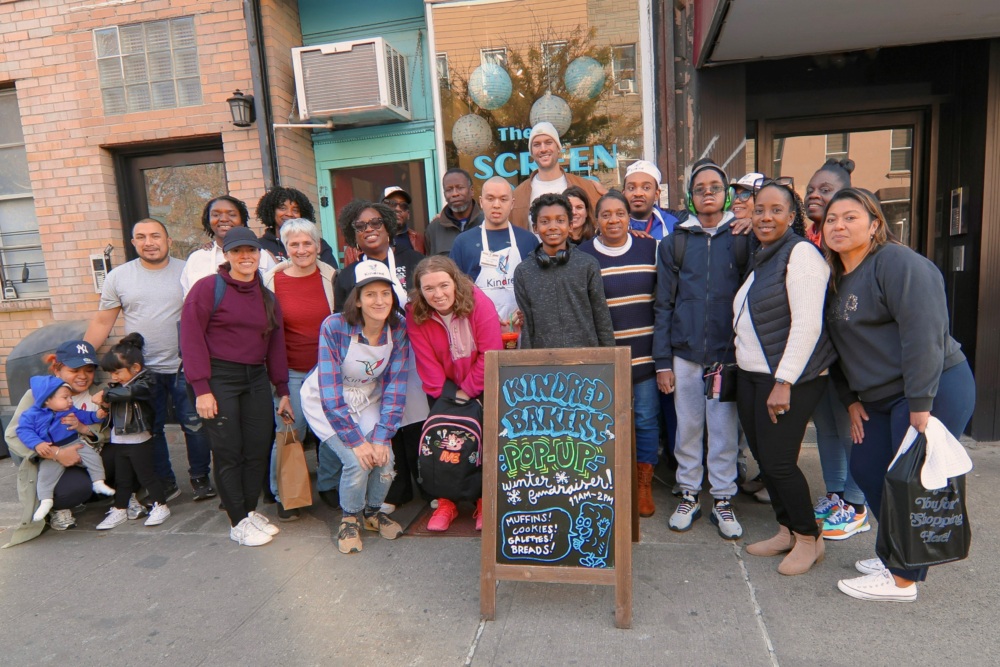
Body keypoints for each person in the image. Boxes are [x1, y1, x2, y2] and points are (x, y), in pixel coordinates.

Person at [822, 188, 975, 603]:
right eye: (831, 219)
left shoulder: (897, 263)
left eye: (850, 217)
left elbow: (923, 334)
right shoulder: (835, 275)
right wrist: (851, 398)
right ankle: (896, 553)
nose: (838, 225)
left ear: (875, 225)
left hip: (929, 388)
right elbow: (836, 350)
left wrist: (921, 407)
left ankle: (903, 579)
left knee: (911, 484)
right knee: (870, 471)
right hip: (875, 397)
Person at [734, 180, 835, 575]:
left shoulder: (802, 254)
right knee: (765, 457)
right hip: (753, 375)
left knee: (778, 463)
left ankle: (810, 538)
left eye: (776, 210)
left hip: (790, 378)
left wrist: (784, 381)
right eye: (759, 209)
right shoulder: (763, 255)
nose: (766, 217)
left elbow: (808, 325)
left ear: (792, 217)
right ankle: (786, 528)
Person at [85, 218, 215, 505]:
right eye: (141, 237)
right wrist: (80, 358)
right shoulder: (118, 277)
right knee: (151, 429)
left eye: (155, 235)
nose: (149, 242)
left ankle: (200, 479)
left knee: (194, 426)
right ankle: (166, 483)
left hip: (185, 366)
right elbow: (103, 321)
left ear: (168, 240)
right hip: (141, 373)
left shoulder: (187, 271)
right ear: (133, 243)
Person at [653, 159, 747, 540]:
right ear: (690, 197)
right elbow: (663, 305)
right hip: (685, 352)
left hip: (727, 355)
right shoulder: (675, 242)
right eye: (699, 188)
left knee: (724, 430)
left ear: (726, 194)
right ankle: (689, 492)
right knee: (688, 427)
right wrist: (663, 361)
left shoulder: (742, 239)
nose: (707, 193)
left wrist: (755, 222)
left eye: (715, 187)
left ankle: (722, 498)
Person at [181, 226, 291, 547]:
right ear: (226, 255)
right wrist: (201, 388)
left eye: (251, 251)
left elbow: (275, 345)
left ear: (259, 254)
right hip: (218, 377)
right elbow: (191, 339)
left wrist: (282, 389)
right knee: (229, 451)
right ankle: (237, 520)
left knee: (257, 447)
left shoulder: (266, 296)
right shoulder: (206, 289)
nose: (246, 257)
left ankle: (249, 510)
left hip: (255, 378)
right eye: (238, 251)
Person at [317, 261, 408, 554]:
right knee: (357, 460)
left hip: (367, 395)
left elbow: (395, 385)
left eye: (385, 293)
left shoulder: (399, 328)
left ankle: (371, 513)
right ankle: (349, 517)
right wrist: (356, 441)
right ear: (357, 298)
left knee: (385, 458)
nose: (379, 301)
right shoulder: (334, 326)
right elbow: (329, 393)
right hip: (325, 401)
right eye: (370, 294)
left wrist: (382, 436)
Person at [578, 191, 660, 517]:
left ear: (630, 217)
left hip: (645, 353)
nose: (614, 220)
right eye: (606, 215)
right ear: (595, 221)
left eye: (620, 213)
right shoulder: (582, 255)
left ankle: (643, 484)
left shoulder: (649, 247)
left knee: (645, 419)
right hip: (605, 357)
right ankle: (604, 483)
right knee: (601, 423)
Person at [406, 256, 502, 531]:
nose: (438, 294)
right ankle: (446, 501)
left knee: (483, 445)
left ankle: (484, 500)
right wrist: (449, 396)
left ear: (455, 283)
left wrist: (469, 390)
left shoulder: (478, 302)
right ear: (420, 291)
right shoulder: (416, 312)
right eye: (429, 289)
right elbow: (426, 361)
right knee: (444, 446)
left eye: (443, 285)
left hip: (483, 385)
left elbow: (491, 352)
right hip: (443, 391)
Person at [801, 159, 869, 539]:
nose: (815, 194)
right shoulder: (808, 236)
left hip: (849, 356)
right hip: (819, 354)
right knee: (827, 425)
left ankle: (858, 505)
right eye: (812, 188)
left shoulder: (850, 242)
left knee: (851, 429)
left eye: (825, 190)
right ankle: (836, 495)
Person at [262, 218, 338, 520]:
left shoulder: (332, 277)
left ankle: (330, 485)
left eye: (308, 243)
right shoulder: (271, 282)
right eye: (294, 244)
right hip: (291, 370)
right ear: (285, 247)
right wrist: (279, 384)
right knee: (291, 429)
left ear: (318, 245)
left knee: (333, 429)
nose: (302, 249)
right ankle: (286, 493)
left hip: (328, 370)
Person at [4, 340, 108, 544]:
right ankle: (57, 507)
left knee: (124, 456)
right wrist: (56, 454)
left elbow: (109, 432)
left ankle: (114, 497)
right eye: (74, 369)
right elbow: (13, 434)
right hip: (54, 460)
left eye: (89, 370)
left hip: (90, 454)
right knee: (74, 489)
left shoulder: (100, 393)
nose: (83, 376)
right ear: (57, 369)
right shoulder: (38, 395)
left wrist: (84, 428)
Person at [513, 193, 615, 349]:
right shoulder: (523, 271)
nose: (553, 226)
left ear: (570, 225)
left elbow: (602, 318)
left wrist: (609, 360)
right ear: (535, 227)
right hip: (544, 364)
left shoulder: (588, 264)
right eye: (545, 221)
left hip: (587, 361)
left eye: (560, 221)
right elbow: (528, 329)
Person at [94, 334, 172, 529]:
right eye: (111, 373)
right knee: (123, 478)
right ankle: (120, 509)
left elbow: (130, 393)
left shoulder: (146, 382)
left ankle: (160, 505)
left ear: (135, 368)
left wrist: (105, 394)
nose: (114, 377)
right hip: (119, 439)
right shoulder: (119, 386)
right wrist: (104, 408)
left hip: (140, 438)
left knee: (147, 475)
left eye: (117, 372)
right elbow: (118, 400)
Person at [17, 376, 112, 523]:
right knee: (46, 476)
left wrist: (97, 416)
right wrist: (37, 444)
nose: (70, 400)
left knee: (94, 458)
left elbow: (85, 416)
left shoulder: (70, 410)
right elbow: (23, 431)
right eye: (65, 397)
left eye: (70, 397)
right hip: (50, 451)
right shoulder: (30, 415)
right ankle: (46, 500)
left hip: (75, 443)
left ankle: (98, 482)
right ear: (47, 400)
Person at [450, 175, 538, 327]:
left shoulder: (528, 240)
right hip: (479, 326)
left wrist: (526, 309)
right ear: (481, 201)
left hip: (522, 328)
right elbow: (455, 289)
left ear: (512, 203)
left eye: (503, 199)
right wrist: (481, 312)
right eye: (490, 198)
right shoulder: (463, 242)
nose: (496, 205)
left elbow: (538, 286)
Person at [511, 122, 606, 229]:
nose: (543, 149)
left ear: (558, 148)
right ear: (531, 152)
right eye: (537, 144)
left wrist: (608, 195)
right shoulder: (518, 195)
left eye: (548, 142)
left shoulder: (585, 187)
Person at [180, 195, 276, 296]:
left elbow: (274, 295)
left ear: (242, 221)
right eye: (216, 215)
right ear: (208, 221)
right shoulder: (197, 258)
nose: (223, 219)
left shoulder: (262, 256)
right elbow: (188, 299)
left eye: (232, 214)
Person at [255, 186, 339, 267]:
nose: (289, 214)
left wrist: (278, 267)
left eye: (295, 210)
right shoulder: (260, 245)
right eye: (283, 208)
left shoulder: (315, 243)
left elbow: (331, 275)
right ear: (271, 211)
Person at [345, 186, 425, 263]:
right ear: (379, 210)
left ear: (408, 214)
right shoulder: (354, 249)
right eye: (391, 204)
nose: (398, 209)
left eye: (403, 206)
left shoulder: (419, 239)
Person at [425, 169, 484, 256]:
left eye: (460, 188)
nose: (455, 194)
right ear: (444, 195)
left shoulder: (487, 222)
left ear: (471, 190)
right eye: (449, 190)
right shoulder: (434, 229)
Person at [624, 160, 680, 240]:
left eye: (646, 188)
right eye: (631, 188)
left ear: (657, 194)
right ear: (623, 193)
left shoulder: (672, 225)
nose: (638, 193)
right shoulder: (614, 225)